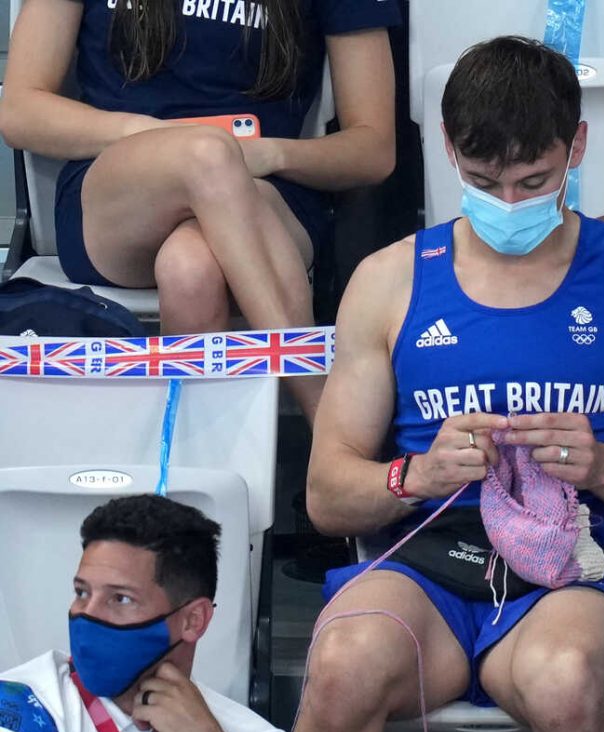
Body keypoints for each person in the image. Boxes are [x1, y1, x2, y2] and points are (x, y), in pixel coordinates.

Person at [296, 36, 604, 732]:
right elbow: (325, 496)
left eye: (533, 181)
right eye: (484, 180)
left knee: (561, 682)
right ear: (448, 149)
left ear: (577, 147)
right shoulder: (389, 280)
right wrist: (417, 475)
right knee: (341, 670)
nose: (508, 204)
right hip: (424, 569)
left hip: (570, 575)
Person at [0, 0, 401, 422]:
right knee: (207, 155)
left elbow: (373, 149)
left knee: (191, 269)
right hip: (115, 193)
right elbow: (20, 110)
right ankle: (327, 422)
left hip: (264, 190)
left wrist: (270, 154)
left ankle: (183, 472)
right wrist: (160, 136)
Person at [0, 494, 295, 732]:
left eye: (120, 598)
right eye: (82, 592)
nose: (86, 614)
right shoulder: (20, 708)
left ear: (193, 620)